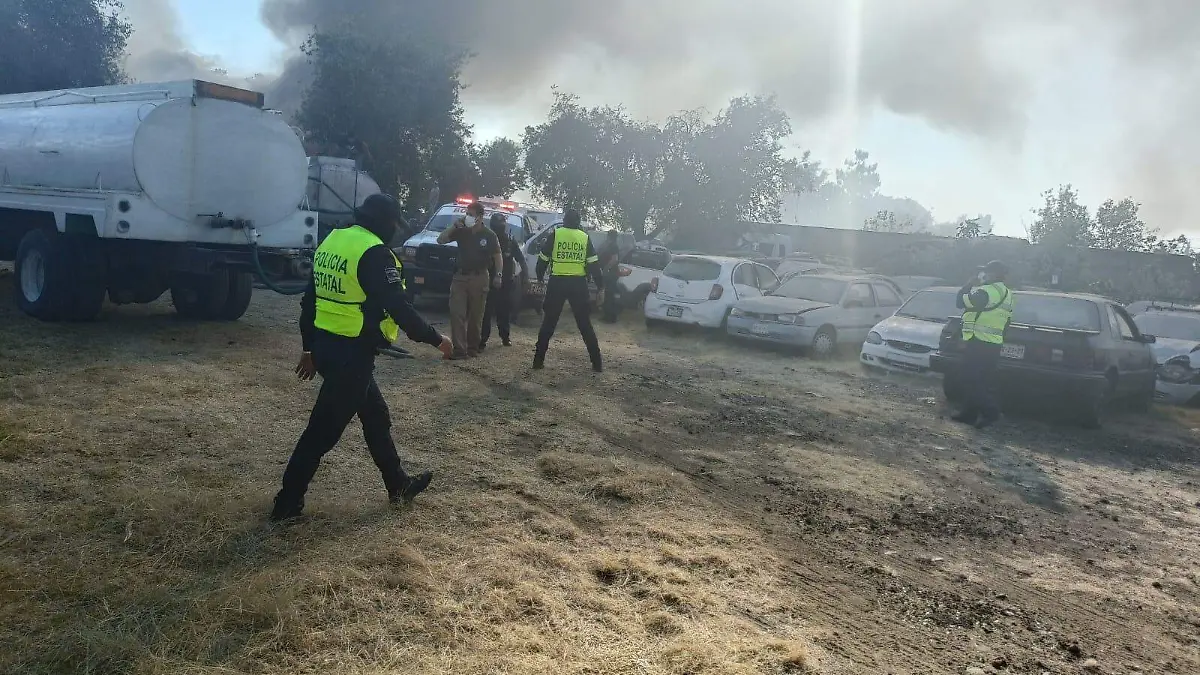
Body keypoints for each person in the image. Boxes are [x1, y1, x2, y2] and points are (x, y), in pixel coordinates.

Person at [271, 193, 453, 522]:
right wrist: (436, 339)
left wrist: (309, 349)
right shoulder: (374, 253)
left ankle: (398, 485)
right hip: (351, 356)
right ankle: (286, 504)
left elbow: (310, 302)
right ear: (386, 223)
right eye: (394, 225)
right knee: (319, 434)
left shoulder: (333, 241)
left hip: (328, 348)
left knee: (376, 416)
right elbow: (398, 308)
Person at [533, 208, 604, 372]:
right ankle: (597, 364)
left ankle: (538, 361)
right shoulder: (584, 237)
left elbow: (543, 259)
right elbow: (594, 265)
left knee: (549, 323)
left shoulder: (556, 234)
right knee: (585, 325)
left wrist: (539, 277)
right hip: (578, 284)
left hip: (557, 282)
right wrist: (601, 286)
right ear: (578, 223)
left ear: (564, 221)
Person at [952, 259, 1014, 429]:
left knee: (969, 379)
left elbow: (960, 301)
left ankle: (991, 412)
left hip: (978, 342)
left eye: (987, 271)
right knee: (982, 381)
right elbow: (1007, 321)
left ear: (995, 274)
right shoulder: (1007, 293)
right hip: (994, 344)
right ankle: (969, 414)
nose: (985, 274)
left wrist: (968, 284)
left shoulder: (985, 292)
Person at [438, 201, 503, 358]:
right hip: (460, 277)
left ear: (480, 217)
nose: (467, 217)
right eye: (466, 214)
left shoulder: (489, 235)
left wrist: (498, 275)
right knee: (457, 313)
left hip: (479, 277)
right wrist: (454, 226)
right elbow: (441, 239)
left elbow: (497, 256)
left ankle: (472, 348)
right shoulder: (461, 231)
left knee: (475, 316)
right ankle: (459, 350)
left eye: (471, 215)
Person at [481, 212, 529, 350]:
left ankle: (505, 337)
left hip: (506, 282)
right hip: (488, 280)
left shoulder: (510, 241)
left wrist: (525, 278)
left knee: (504, 311)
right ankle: (482, 340)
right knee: (486, 312)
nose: (499, 228)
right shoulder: (486, 239)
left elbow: (521, 260)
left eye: (501, 225)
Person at [599, 231, 622, 323]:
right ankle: (607, 316)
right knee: (608, 295)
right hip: (611, 273)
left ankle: (610, 317)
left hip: (611, 273)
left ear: (609, 236)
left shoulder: (613, 246)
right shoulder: (611, 245)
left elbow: (614, 259)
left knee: (609, 296)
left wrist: (606, 268)